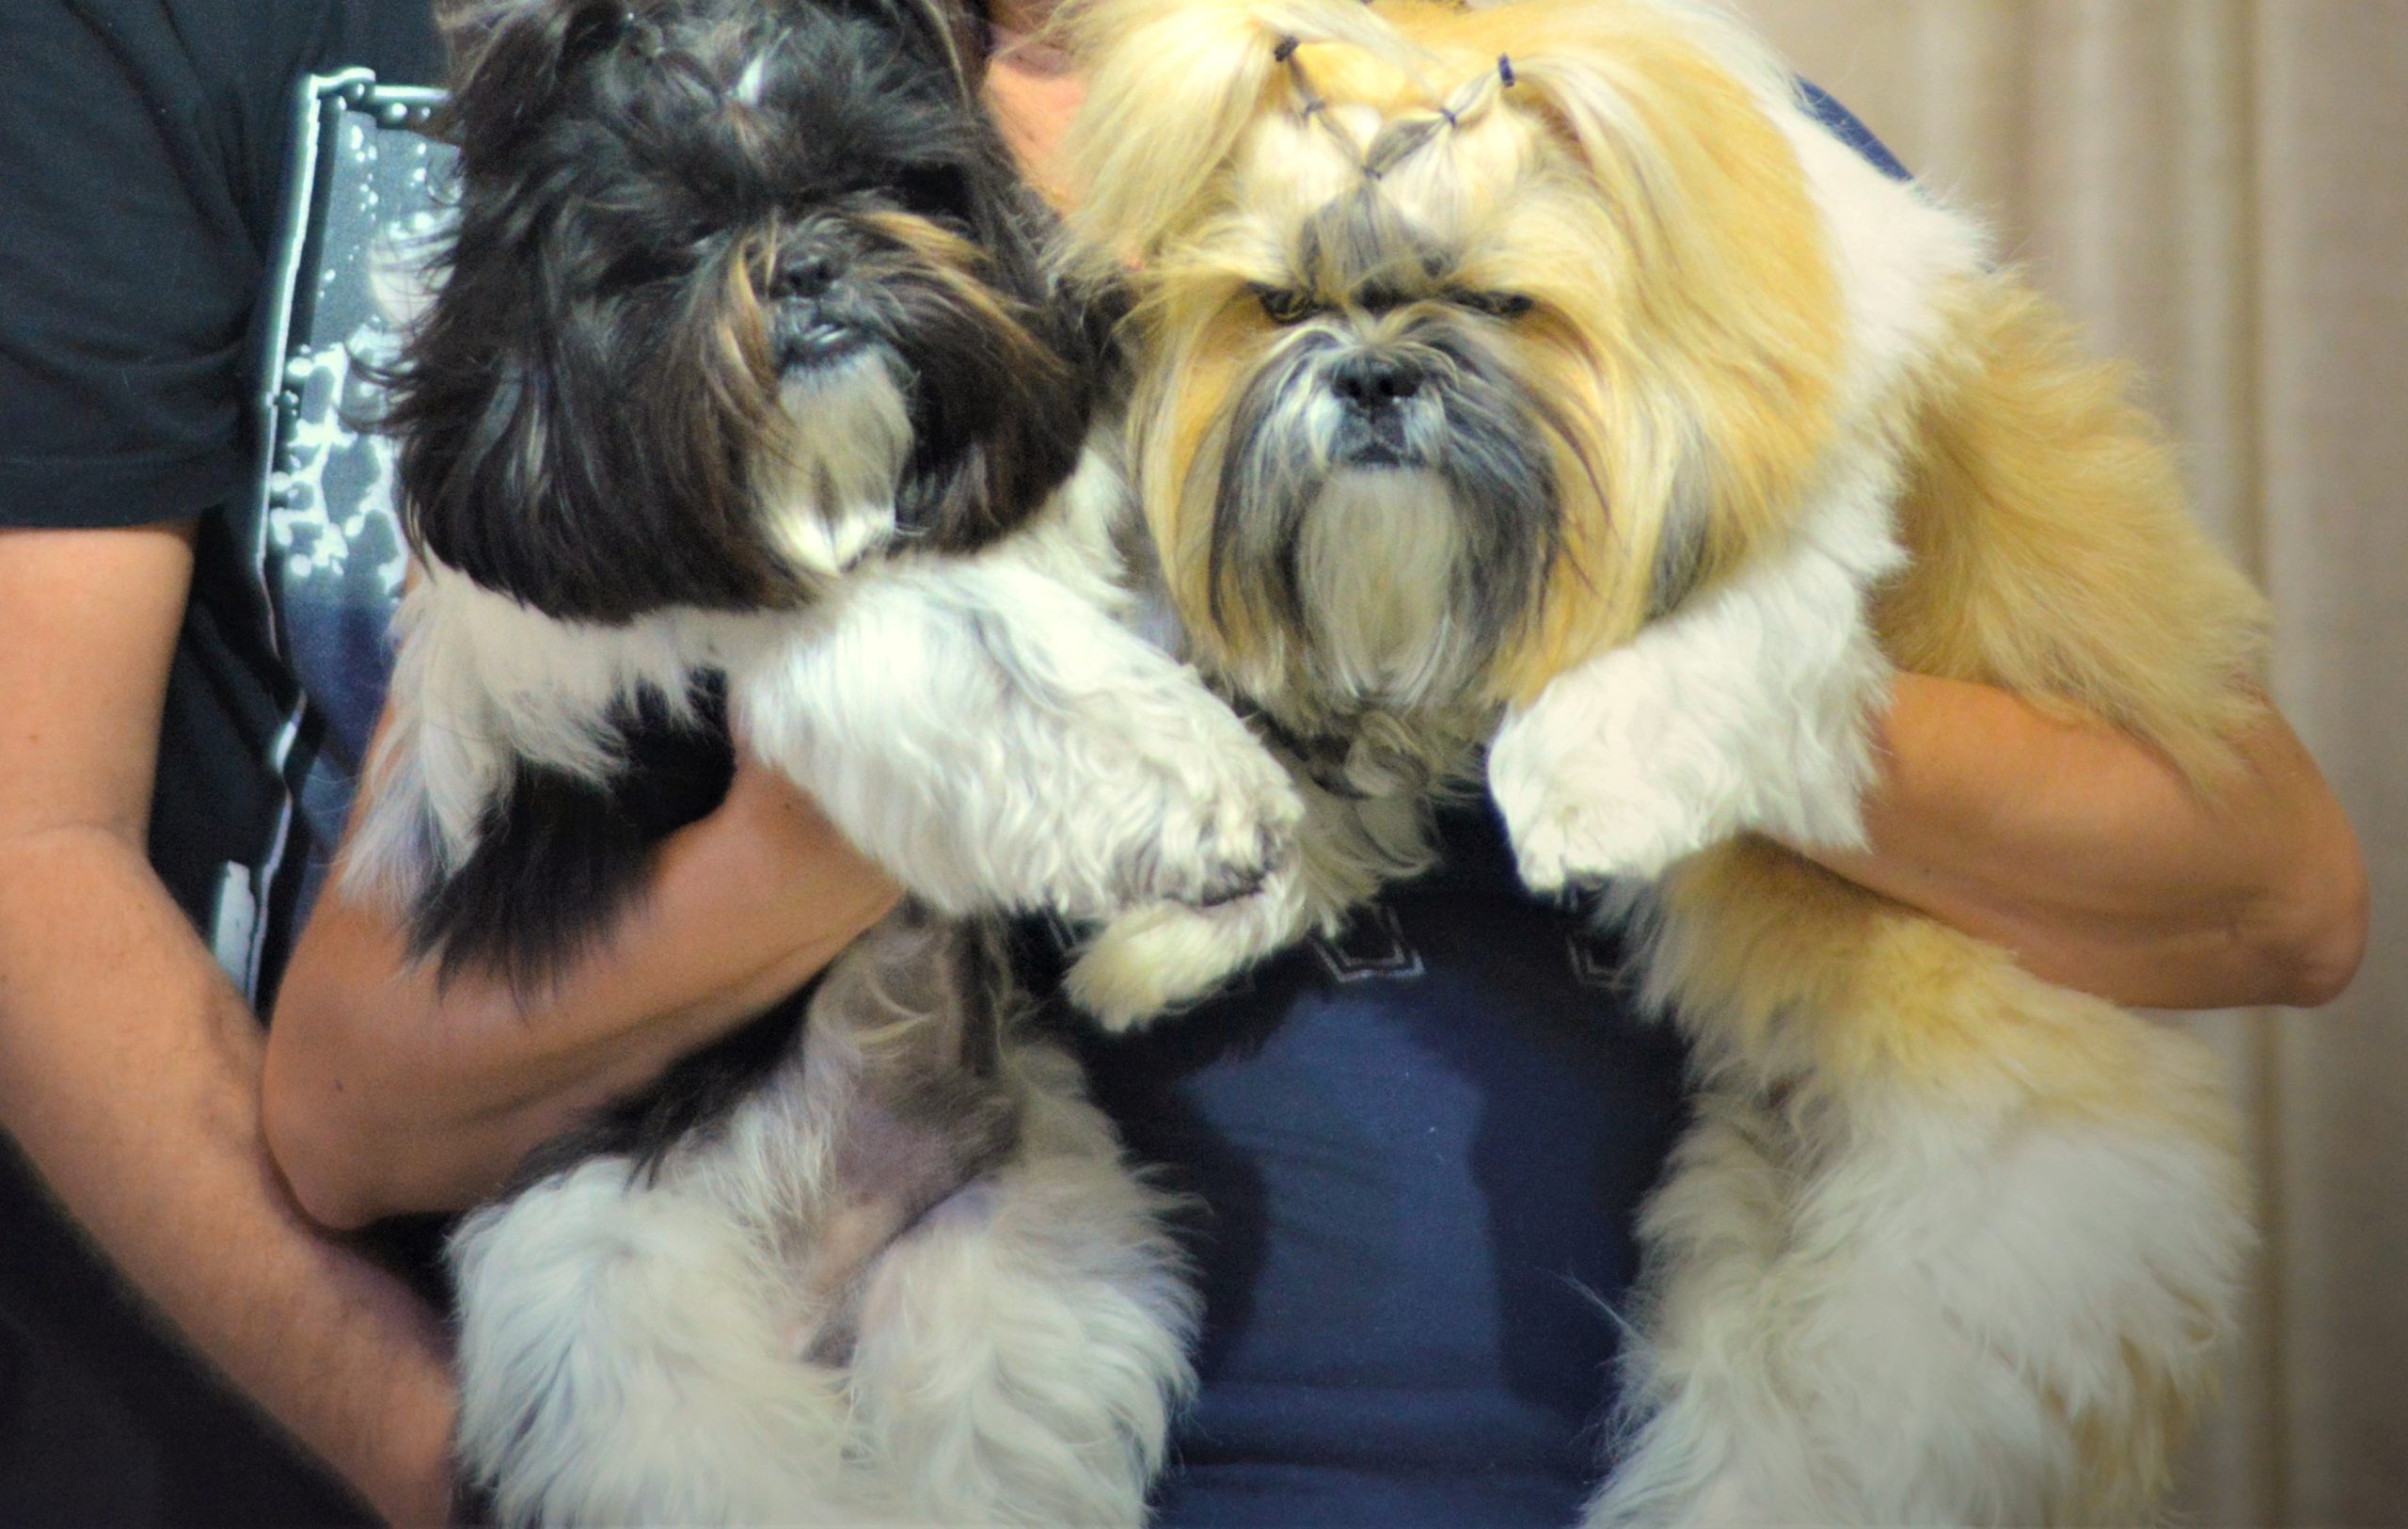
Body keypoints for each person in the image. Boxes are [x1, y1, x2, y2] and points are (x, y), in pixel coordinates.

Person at [0, 0, 2368, 1521]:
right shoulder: (780, 207)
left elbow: (2269, 890)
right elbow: (350, 1094)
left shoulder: (1623, 126)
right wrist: (921, 789)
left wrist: (1620, 680)